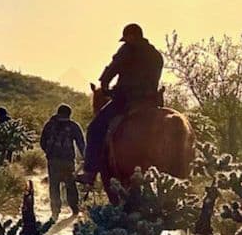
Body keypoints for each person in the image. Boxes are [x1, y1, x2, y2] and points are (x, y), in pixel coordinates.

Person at [78, 23, 164, 185]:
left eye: (127, 38)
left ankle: (90, 172)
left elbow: (114, 67)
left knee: (95, 128)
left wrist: (104, 83)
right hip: (151, 101)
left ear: (131, 36)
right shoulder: (156, 55)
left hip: (127, 99)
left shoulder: (128, 50)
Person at [40, 103, 86, 218]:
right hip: (68, 161)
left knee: (54, 186)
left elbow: (42, 142)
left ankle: (55, 211)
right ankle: (74, 209)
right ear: (69, 114)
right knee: (70, 185)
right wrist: (85, 158)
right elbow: (81, 143)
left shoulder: (49, 125)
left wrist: (49, 153)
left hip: (53, 161)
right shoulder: (73, 126)